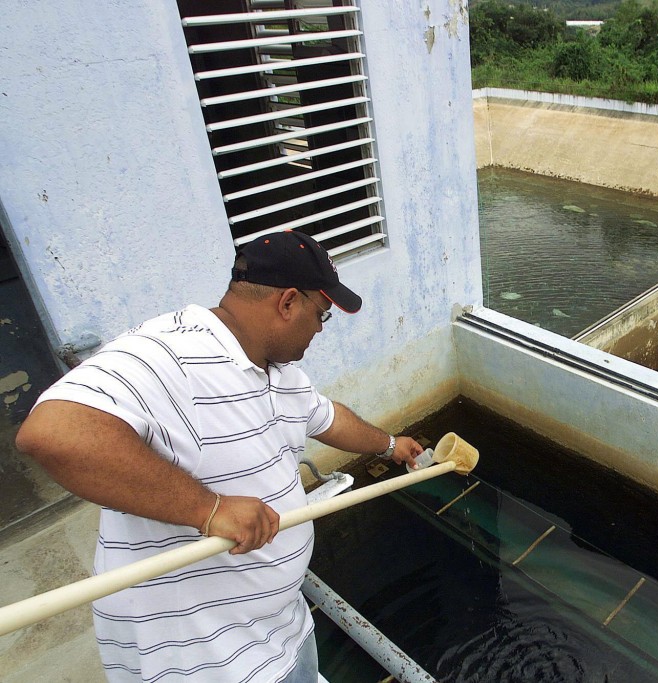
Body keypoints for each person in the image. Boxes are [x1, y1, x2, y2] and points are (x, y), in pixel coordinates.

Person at [15, 229, 424, 682]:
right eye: (321, 315)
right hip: (209, 663)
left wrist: (390, 445)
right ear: (288, 303)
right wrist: (207, 509)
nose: (319, 330)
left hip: (281, 633)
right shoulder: (171, 355)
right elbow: (56, 433)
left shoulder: (277, 371)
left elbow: (328, 418)